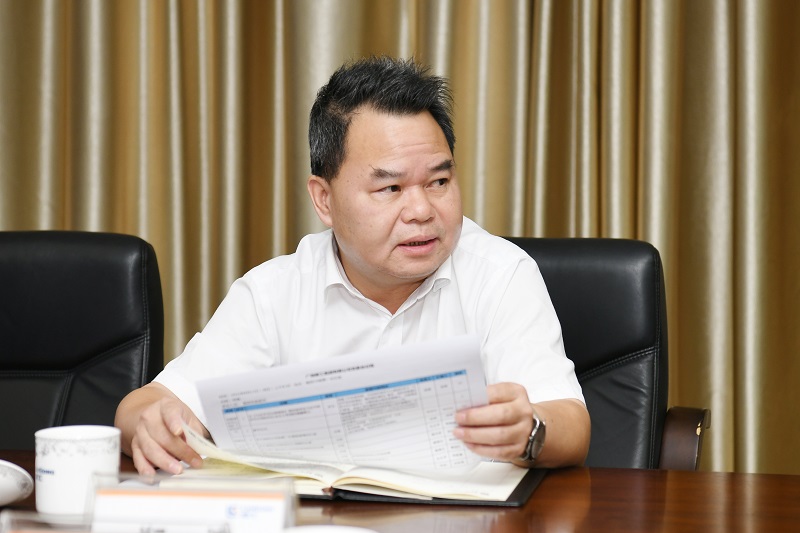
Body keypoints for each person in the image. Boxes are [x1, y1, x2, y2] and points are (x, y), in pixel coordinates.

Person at [115, 56, 591, 476]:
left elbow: (572, 425)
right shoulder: (275, 293)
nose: (421, 210)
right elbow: (144, 406)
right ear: (324, 199)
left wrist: (529, 430)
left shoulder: (501, 274)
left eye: (439, 182)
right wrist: (154, 424)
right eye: (390, 189)